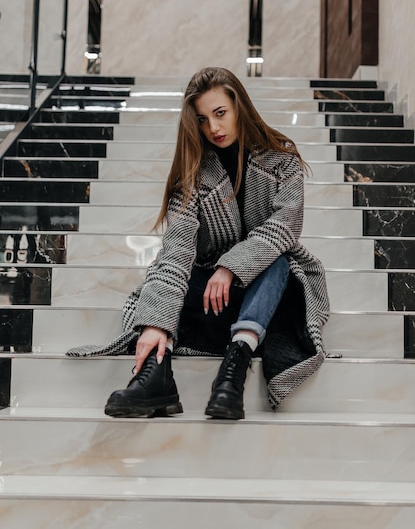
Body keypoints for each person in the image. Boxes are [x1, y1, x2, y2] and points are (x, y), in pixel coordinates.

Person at [67, 67, 330, 420]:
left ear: (240, 108)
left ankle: (233, 370)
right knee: (170, 277)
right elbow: (176, 250)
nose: (213, 129)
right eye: (203, 120)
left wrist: (231, 267)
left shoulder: (282, 162)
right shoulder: (190, 177)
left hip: (270, 298)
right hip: (213, 301)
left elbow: (284, 228)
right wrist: (156, 323)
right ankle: (157, 372)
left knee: (279, 262)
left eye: (220, 114)